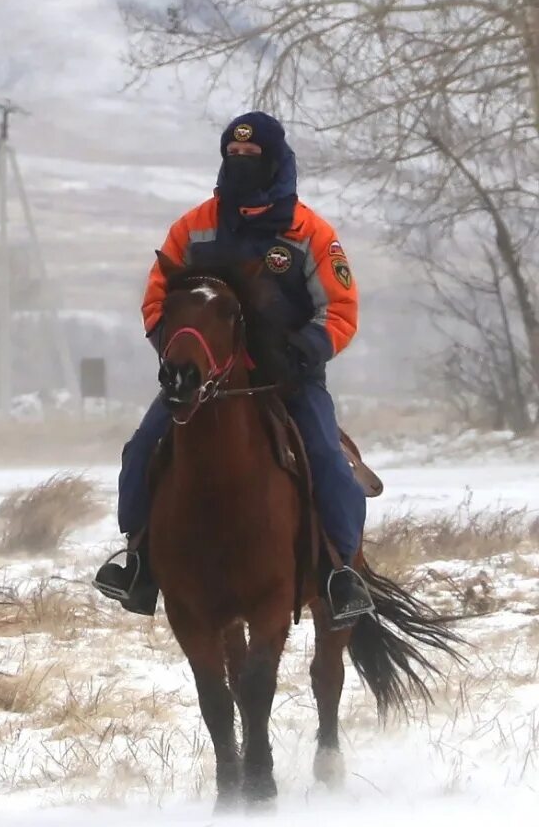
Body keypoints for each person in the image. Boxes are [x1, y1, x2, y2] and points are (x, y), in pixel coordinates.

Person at [93, 111, 375, 628]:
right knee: (141, 450)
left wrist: (305, 349)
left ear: (274, 161)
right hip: (202, 383)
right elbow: (158, 298)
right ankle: (136, 562)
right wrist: (175, 352)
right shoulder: (192, 226)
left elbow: (340, 309)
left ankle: (340, 572)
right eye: (232, 155)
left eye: (251, 156)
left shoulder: (310, 232)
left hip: (287, 379)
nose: (240, 163)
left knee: (328, 460)